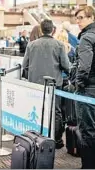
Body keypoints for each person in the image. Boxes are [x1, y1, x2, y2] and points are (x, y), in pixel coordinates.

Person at [22, 19, 70, 149]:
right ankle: (56, 140)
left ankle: (36, 138)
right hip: (53, 85)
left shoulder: (31, 45)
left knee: (36, 110)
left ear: (41, 29)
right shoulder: (59, 45)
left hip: (35, 85)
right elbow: (66, 66)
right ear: (53, 30)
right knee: (56, 112)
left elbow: (24, 66)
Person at [74, 6, 95, 169]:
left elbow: (84, 67)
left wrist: (78, 84)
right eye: (77, 18)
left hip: (88, 90)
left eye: (81, 17)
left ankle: (88, 166)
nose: (78, 21)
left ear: (91, 17)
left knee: (87, 132)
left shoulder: (87, 37)